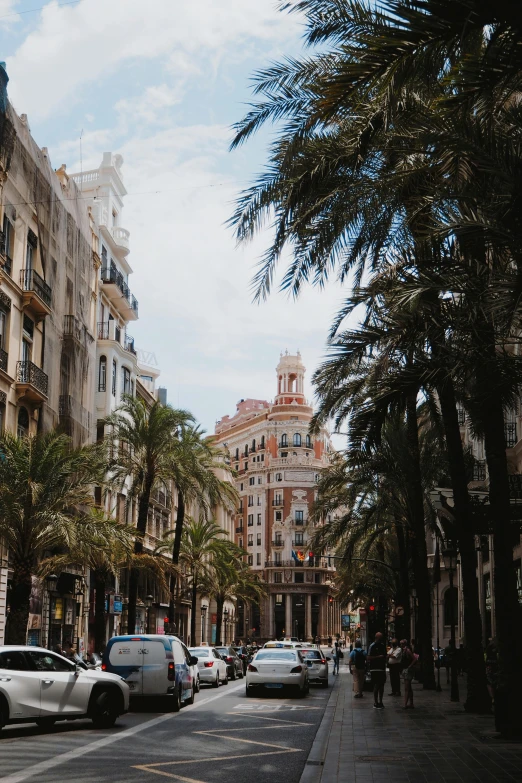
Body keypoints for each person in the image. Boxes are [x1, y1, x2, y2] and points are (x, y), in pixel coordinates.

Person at [367, 632, 387, 709]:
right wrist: (378, 657)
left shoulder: (382, 646)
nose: (381, 639)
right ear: (376, 638)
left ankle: (380, 701)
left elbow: (385, 656)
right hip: (374, 668)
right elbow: (368, 657)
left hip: (381, 668)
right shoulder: (372, 646)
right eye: (380, 638)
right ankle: (375, 702)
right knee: (376, 685)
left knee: (381, 685)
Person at [400, 639, 417, 709]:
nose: (401, 645)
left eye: (402, 644)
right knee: (409, 687)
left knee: (406, 688)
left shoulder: (407, 650)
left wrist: (409, 666)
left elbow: (414, 659)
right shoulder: (403, 650)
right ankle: (411, 703)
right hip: (405, 669)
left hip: (408, 670)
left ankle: (405, 704)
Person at [485, 638, 498, 706]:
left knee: (490, 683)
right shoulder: (496, 655)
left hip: (490, 669)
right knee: (492, 683)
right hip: (493, 669)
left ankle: (493, 697)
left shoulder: (488, 655)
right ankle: (494, 697)